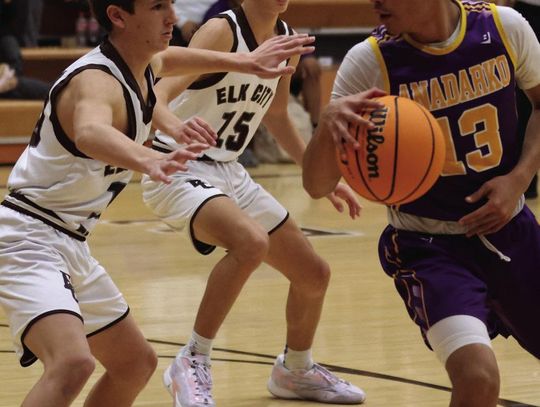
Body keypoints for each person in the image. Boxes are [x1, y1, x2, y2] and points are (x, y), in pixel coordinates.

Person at [0, 0, 315, 405]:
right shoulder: (96, 79)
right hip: (27, 237)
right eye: (156, 7)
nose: (170, 15)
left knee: (135, 363)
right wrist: (150, 158)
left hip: (70, 242)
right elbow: (89, 132)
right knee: (72, 363)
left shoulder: (141, 65)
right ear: (118, 16)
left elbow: (173, 59)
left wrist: (245, 63)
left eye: (170, 4)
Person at [303, 1, 540, 406]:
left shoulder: (504, 27)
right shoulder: (370, 61)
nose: (374, 2)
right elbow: (316, 182)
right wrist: (328, 124)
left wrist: (518, 180)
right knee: (478, 379)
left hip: (512, 230)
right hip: (429, 247)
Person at [141, 1, 366, 406]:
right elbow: (154, 95)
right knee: (250, 243)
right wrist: (176, 128)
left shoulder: (285, 38)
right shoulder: (221, 31)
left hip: (229, 169)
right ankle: (192, 359)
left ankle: (295, 370)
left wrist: (319, 175)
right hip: (176, 163)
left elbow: (277, 115)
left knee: (313, 274)